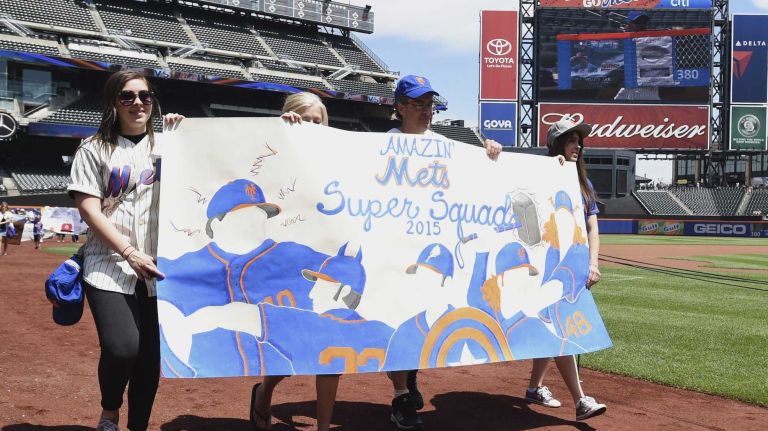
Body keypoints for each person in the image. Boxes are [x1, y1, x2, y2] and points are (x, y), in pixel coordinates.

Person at [67, 70, 182, 431]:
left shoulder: (170, 145)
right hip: (109, 262)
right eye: (127, 96)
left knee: (149, 361)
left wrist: (293, 128)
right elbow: (89, 208)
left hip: (161, 267)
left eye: (145, 96)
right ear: (113, 102)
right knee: (122, 348)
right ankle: (110, 410)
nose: (137, 103)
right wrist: (130, 252)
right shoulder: (93, 148)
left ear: (154, 101)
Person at [386, 75, 502, 430]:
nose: (426, 112)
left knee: (422, 320)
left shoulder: (442, 144)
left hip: (430, 250)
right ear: (400, 108)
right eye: (418, 105)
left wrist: (490, 154)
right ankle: (401, 396)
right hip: (392, 249)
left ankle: (409, 378)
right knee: (395, 320)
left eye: (429, 105)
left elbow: (473, 176)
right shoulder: (383, 145)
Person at [524, 117, 606, 421]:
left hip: (573, 270)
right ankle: (581, 400)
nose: (578, 145)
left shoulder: (584, 183)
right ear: (557, 144)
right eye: (571, 140)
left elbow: (592, 228)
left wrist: (593, 264)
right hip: (547, 270)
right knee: (560, 329)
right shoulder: (539, 176)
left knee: (554, 327)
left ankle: (534, 387)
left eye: (579, 140)